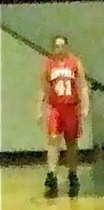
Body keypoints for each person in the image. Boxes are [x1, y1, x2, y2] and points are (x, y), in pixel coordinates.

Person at [38, 34, 89, 199]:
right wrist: (39, 108)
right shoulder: (48, 64)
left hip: (71, 107)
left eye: (62, 45)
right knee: (53, 140)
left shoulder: (75, 62)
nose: (59, 49)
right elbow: (43, 89)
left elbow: (82, 86)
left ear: (67, 47)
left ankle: (72, 175)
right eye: (56, 46)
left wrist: (85, 106)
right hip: (55, 107)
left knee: (72, 143)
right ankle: (51, 175)